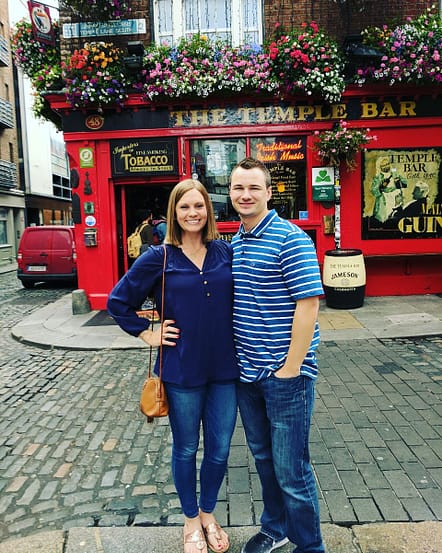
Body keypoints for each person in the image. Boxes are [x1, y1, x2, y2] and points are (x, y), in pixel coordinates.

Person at [107, 179, 239, 553]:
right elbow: (118, 301)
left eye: (199, 206)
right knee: (185, 448)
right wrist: (146, 333)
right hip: (181, 369)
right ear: (174, 212)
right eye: (184, 207)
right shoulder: (158, 257)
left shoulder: (224, 251)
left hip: (225, 368)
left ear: (208, 210)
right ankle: (190, 520)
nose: (192, 213)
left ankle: (208, 514)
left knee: (220, 450)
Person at [229, 158, 325, 553]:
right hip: (247, 376)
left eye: (254, 187)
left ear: (269, 193)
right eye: (238, 188)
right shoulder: (236, 242)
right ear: (230, 193)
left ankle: (310, 546)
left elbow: (309, 304)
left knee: (292, 470)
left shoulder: (290, 238)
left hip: (285, 377)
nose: (245, 195)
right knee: (265, 460)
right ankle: (275, 528)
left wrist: (291, 368)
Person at [370, 156, 407, 225]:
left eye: (387, 164)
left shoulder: (395, 173)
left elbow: (405, 183)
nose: (386, 166)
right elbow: (373, 191)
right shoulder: (378, 177)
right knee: (385, 218)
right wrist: (381, 187)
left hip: (396, 198)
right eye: (383, 165)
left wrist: (399, 181)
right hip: (385, 199)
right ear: (380, 167)